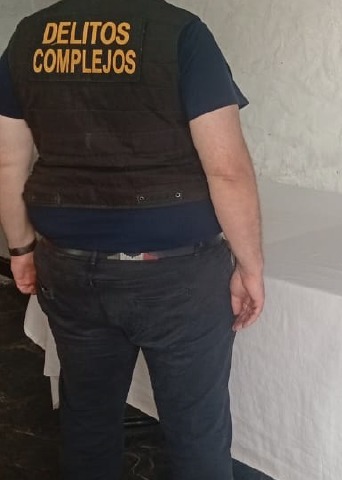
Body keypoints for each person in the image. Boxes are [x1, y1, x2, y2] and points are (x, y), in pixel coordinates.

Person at [0, 0, 265, 478]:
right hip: (177, 275)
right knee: (196, 431)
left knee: (87, 417)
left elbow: (8, 160)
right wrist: (250, 266)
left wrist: (20, 248)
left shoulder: (30, 35)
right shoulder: (180, 32)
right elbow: (227, 170)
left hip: (69, 266)